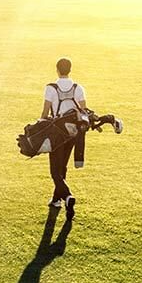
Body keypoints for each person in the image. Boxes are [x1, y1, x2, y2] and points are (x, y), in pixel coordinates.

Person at [41, 57, 87, 218]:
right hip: (73, 133)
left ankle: (67, 196)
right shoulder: (78, 88)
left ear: (57, 70)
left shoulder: (50, 88)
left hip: (57, 133)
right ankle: (56, 200)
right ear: (70, 70)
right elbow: (84, 111)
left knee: (55, 170)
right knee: (63, 166)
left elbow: (45, 114)